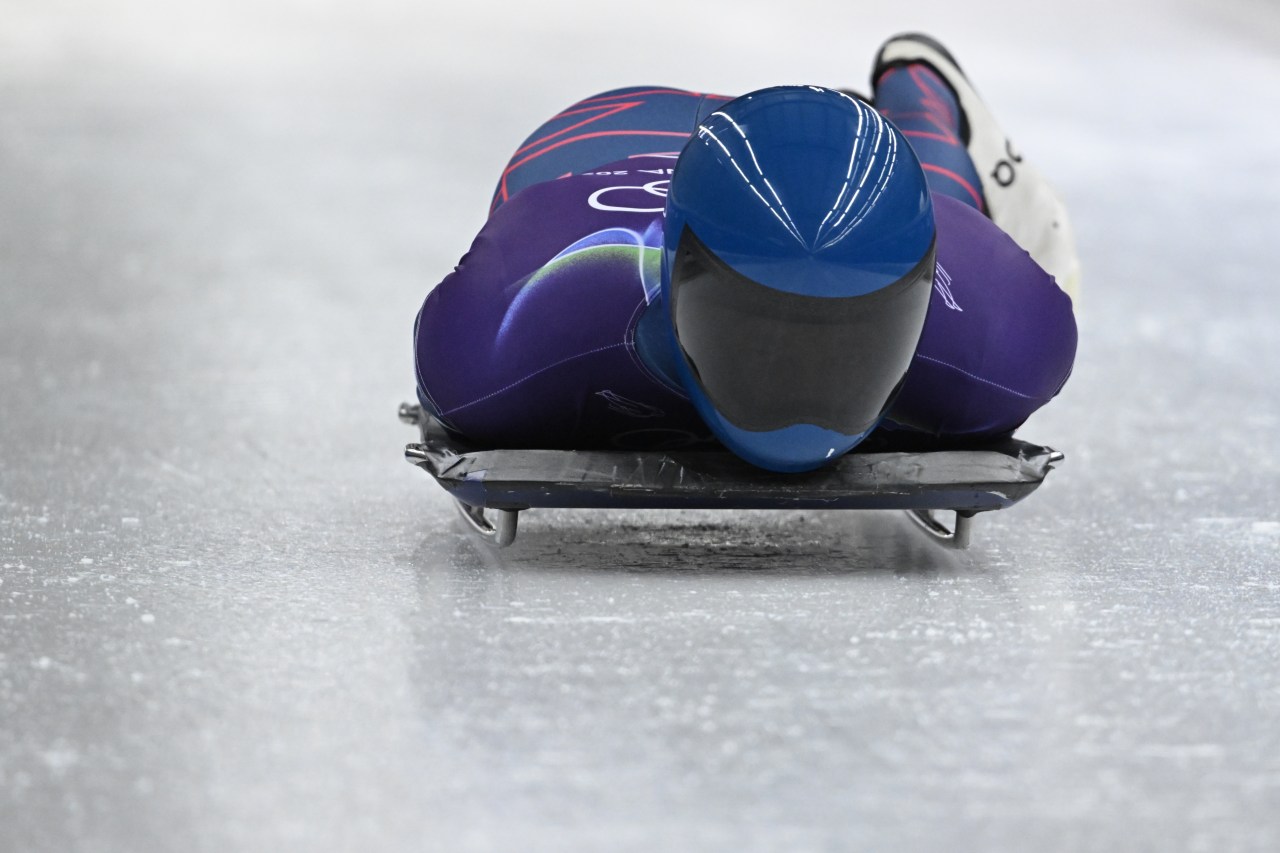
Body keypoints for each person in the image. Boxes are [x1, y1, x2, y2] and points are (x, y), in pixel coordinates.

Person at [413, 34, 1079, 473]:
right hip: (589, 150)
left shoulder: (487, 357)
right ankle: (911, 94)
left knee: (940, 198)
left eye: (853, 339)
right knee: (941, 193)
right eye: (760, 334)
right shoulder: (520, 318)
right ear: (673, 274)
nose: (801, 395)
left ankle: (920, 90)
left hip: (622, 149)